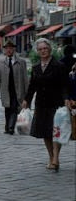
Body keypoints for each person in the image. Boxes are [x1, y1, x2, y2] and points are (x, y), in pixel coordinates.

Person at [23, 38, 69, 172]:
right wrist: (27, 99)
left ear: (50, 49)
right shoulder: (36, 67)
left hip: (56, 103)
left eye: (45, 48)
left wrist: (66, 98)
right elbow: (32, 86)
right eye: (40, 49)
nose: (43, 51)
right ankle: (51, 157)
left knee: (55, 131)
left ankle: (55, 158)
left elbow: (64, 85)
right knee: (45, 132)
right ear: (37, 52)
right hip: (41, 104)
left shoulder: (59, 66)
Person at [0, 39, 28, 134]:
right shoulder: (0, 62)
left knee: (15, 108)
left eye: (11, 48)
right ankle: (7, 127)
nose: (9, 50)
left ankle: (11, 128)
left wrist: (27, 92)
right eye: (7, 48)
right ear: (4, 50)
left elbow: (25, 77)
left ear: (14, 49)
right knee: (7, 108)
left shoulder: (21, 62)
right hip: (6, 89)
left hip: (18, 89)